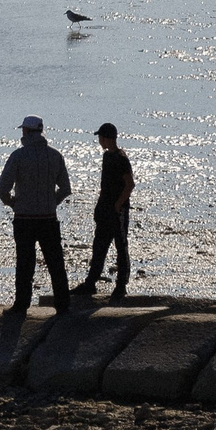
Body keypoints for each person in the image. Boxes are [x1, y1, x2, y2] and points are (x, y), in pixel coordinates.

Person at [0, 115, 72, 316]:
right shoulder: (55, 156)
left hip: (24, 218)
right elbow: (65, 188)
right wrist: (52, 202)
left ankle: (21, 306)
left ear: (26, 132)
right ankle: (63, 305)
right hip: (48, 218)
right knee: (56, 263)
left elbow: (3, 188)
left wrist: (12, 203)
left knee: (25, 264)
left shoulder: (18, 156)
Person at [69, 122, 134, 301]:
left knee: (121, 247)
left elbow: (129, 184)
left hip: (117, 210)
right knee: (99, 246)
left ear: (106, 138)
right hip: (105, 208)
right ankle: (90, 282)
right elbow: (105, 186)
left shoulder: (121, 158)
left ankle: (121, 285)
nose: (99, 141)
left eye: (100, 137)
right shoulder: (107, 156)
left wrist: (118, 205)